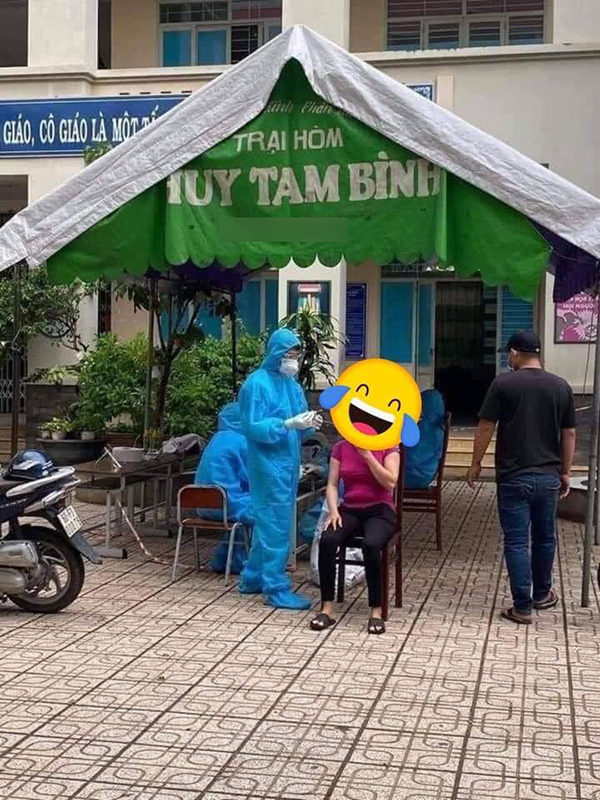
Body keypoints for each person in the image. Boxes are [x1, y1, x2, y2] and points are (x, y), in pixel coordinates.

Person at [467, 331, 576, 625]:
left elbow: (486, 426)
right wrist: (566, 471)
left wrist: (476, 463)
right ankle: (541, 594)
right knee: (545, 537)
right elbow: (569, 433)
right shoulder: (561, 386)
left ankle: (522, 607)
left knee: (516, 541)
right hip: (549, 475)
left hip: (513, 476)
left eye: (509, 354)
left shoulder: (503, 384)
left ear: (514, 353)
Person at [238, 328, 322, 610]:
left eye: (296, 355)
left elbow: (298, 425)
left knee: (269, 523)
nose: (293, 360)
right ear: (276, 353)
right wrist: (286, 424)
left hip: (287, 464)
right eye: (289, 354)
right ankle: (275, 587)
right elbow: (252, 426)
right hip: (267, 466)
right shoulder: (256, 384)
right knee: (276, 527)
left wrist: (309, 423)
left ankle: (252, 577)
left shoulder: (292, 385)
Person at [310, 439, 400, 634]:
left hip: (380, 509)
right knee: (327, 540)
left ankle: (376, 610)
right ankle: (326, 608)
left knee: (371, 544)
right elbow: (332, 485)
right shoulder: (341, 447)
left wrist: (367, 455)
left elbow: (390, 482)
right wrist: (334, 511)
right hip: (350, 508)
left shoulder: (388, 445)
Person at [194, 403, 253, 574]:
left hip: (202, 504)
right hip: (228, 505)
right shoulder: (241, 442)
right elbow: (253, 477)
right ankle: (253, 564)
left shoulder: (216, 439)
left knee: (239, 519)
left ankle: (223, 561)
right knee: (264, 512)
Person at [405, 389, 446, 489]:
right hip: (425, 474)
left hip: (414, 475)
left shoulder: (426, 430)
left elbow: (412, 458)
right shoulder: (437, 427)